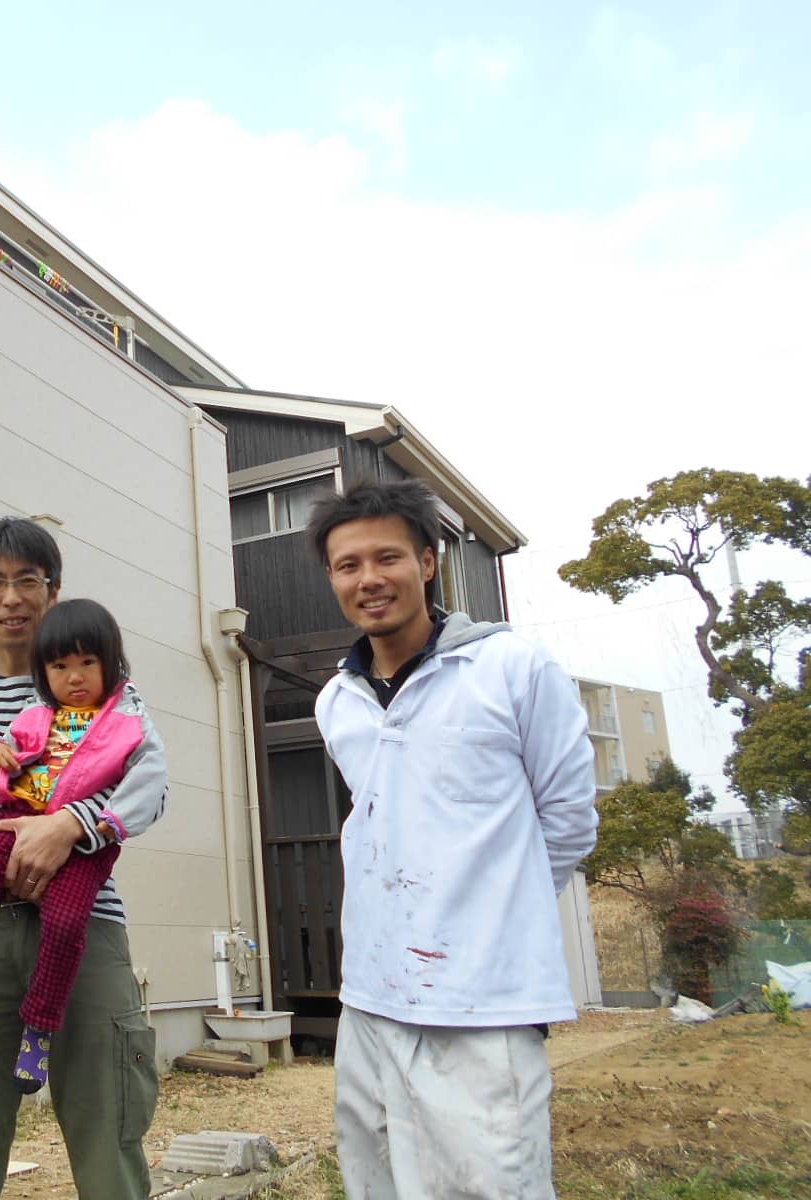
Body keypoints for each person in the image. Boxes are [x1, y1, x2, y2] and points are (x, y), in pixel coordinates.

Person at [306, 480, 597, 1199]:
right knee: (376, 1181)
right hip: (371, 995)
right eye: (348, 565)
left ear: (428, 562)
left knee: (490, 1185)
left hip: (484, 1002)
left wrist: (490, 914)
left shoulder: (513, 667)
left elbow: (567, 820)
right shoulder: (336, 700)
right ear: (332, 579)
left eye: (387, 558)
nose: (369, 579)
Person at [0, 517, 165, 1200]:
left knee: (109, 1135)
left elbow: (149, 793)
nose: (12, 597)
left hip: (86, 923)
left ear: (53, 591)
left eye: (28, 581)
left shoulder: (107, 687)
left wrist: (68, 827)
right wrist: (0, 860)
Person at [0, 598, 167, 1094]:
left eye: (87, 662)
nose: (75, 677)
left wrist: (96, 824)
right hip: (15, 820)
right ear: (43, 672)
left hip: (85, 847)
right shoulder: (36, 712)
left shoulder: (128, 718)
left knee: (67, 923)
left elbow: (151, 782)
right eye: (60, 666)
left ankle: (39, 1031)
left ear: (111, 662)